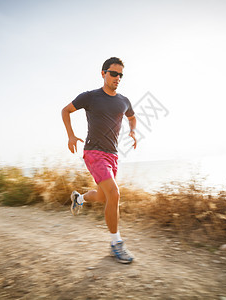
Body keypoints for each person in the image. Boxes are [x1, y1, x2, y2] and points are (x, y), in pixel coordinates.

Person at [61, 57, 137, 264]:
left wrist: (132, 132)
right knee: (115, 193)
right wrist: (70, 135)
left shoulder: (124, 100)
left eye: (120, 75)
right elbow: (65, 110)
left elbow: (132, 116)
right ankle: (116, 243)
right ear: (103, 73)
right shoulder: (90, 97)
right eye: (113, 73)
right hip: (93, 153)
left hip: (112, 155)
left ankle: (79, 199)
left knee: (105, 197)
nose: (117, 78)